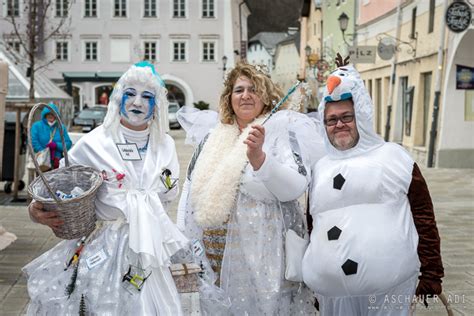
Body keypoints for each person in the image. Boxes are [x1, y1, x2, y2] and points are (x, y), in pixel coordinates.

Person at [24, 62, 189, 315]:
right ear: (118, 98)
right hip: (103, 250)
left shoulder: (164, 145)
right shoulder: (93, 144)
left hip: (154, 249)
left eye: (147, 96)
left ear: (157, 106)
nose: (137, 102)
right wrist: (36, 211)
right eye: (130, 93)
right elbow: (59, 189)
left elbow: (171, 192)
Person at [176, 62, 324, 315]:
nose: (245, 95)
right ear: (229, 98)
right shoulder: (212, 137)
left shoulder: (281, 131)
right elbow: (189, 191)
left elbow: (295, 188)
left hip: (266, 256)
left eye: (253, 89)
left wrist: (260, 159)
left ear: (266, 96)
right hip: (215, 254)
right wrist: (183, 243)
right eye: (238, 90)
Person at [302, 60, 444, 315]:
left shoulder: (395, 157)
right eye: (331, 120)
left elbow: (423, 217)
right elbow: (312, 224)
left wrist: (432, 271)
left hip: (389, 288)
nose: (339, 125)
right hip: (333, 294)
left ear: (362, 116)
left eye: (347, 117)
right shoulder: (319, 168)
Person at [30, 103, 72, 170]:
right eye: (48, 114)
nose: (51, 116)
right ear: (45, 115)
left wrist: (56, 145)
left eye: (53, 114)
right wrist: (45, 154)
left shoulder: (61, 127)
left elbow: (68, 144)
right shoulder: (36, 126)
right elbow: (33, 142)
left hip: (57, 163)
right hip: (42, 163)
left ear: (56, 115)